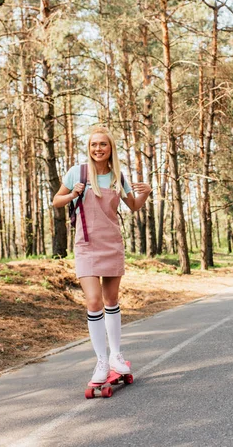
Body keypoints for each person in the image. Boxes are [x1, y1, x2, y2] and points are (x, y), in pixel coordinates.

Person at [52, 125, 151, 383]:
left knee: (111, 301)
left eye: (103, 144)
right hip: (85, 244)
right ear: (90, 147)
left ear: (110, 148)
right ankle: (101, 361)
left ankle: (116, 355)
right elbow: (56, 201)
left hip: (111, 244)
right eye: (94, 144)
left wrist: (146, 194)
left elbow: (133, 206)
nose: (98, 148)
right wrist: (72, 194)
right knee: (93, 302)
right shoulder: (78, 172)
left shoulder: (118, 175)